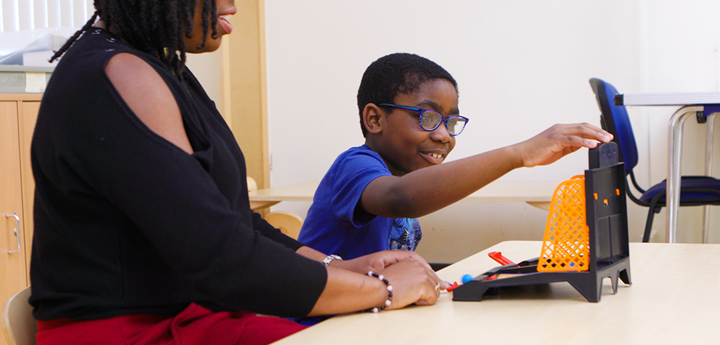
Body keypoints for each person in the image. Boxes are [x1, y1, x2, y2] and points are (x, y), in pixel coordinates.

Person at [29, 1, 449, 344]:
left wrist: (343, 267)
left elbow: (235, 222)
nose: (232, 5)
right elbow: (222, 259)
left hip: (189, 319)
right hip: (131, 333)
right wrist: (384, 290)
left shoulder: (156, 69)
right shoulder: (122, 74)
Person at [297, 53, 613, 260]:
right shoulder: (355, 165)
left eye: (451, 122)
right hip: (315, 329)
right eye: (428, 117)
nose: (444, 135)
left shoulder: (406, 176)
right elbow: (399, 199)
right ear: (375, 120)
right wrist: (518, 154)